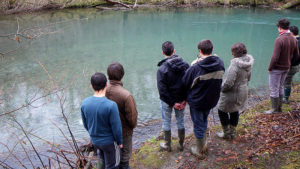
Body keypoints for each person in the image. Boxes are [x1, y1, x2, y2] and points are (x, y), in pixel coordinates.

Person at [183, 40, 225, 158]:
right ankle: (204, 144)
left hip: (197, 102)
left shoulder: (195, 67)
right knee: (204, 119)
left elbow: (185, 83)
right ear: (212, 49)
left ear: (200, 51)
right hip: (212, 100)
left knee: (197, 124)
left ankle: (200, 150)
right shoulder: (220, 63)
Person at [81, 72, 123, 169]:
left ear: (91, 86)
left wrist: (93, 135)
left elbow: (85, 124)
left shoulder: (84, 103)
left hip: (95, 141)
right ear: (106, 85)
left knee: (102, 161)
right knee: (112, 165)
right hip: (110, 142)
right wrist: (120, 141)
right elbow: (116, 127)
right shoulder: (111, 105)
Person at [217, 43, 254, 140]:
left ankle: (226, 133)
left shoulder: (235, 65)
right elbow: (249, 78)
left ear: (234, 53)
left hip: (233, 93)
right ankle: (232, 132)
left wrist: (221, 89)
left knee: (221, 110)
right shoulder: (248, 63)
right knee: (235, 110)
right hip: (243, 90)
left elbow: (229, 83)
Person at [157, 41, 189, 152]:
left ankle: (167, 145)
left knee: (166, 121)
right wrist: (185, 99)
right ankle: (181, 144)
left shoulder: (162, 69)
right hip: (181, 100)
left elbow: (162, 91)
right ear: (174, 51)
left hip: (167, 101)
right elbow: (188, 84)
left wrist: (172, 103)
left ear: (162, 52)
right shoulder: (185, 65)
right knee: (181, 121)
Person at [106, 62, 138, 169]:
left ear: (108, 75)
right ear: (122, 75)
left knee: (111, 159)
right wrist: (131, 127)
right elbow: (132, 119)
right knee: (124, 159)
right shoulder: (126, 95)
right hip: (124, 133)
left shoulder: (102, 90)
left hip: (107, 132)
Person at [265, 18, 299, 114]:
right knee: (280, 87)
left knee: (274, 89)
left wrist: (270, 67)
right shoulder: (293, 38)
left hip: (277, 68)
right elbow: (297, 55)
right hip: (287, 67)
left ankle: (274, 109)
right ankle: (279, 108)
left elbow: (275, 57)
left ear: (279, 28)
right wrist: (288, 62)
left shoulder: (279, 39)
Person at [283, 25, 300, 104]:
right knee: (288, 81)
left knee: (287, 82)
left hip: (291, 66)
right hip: (296, 66)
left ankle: (285, 99)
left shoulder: (294, 42)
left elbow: (291, 56)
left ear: (292, 33)